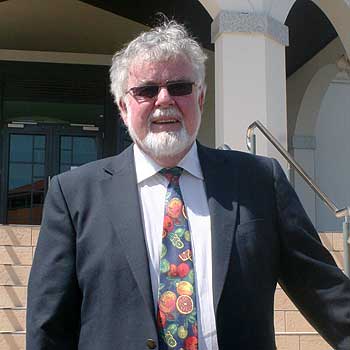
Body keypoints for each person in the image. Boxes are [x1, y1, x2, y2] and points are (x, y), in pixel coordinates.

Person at [27, 21, 350, 350]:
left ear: (201, 98)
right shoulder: (73, 195)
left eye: (179, 87)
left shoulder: (260, 182)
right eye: (147, 90)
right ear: (123, 107)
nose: (164, 100)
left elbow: (325, 292)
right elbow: (48, 328)